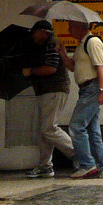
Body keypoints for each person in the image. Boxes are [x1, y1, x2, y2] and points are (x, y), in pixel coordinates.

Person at [21, 20, 75, 178]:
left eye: (35, 32)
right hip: (47, 91)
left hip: (54, 89)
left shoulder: (52, 44)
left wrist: (30, 71)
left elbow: (51, 68)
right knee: (44, 131)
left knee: (49, 129)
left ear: (44, 32)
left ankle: (80, 154)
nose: (32, 36)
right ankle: (45, 166)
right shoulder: (45, 45)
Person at [57, 23, 103, 179]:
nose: (68, 30)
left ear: (81, 28)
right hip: (86, 89)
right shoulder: (81, 45)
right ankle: (102, 167)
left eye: (71, 27)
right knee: (93, 130)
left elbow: (101, 67)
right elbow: (72, 67)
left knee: (76, 125)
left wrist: (101, 91)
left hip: (92, 88)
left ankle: (87, 165)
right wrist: (62, 53)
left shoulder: (92, 42)